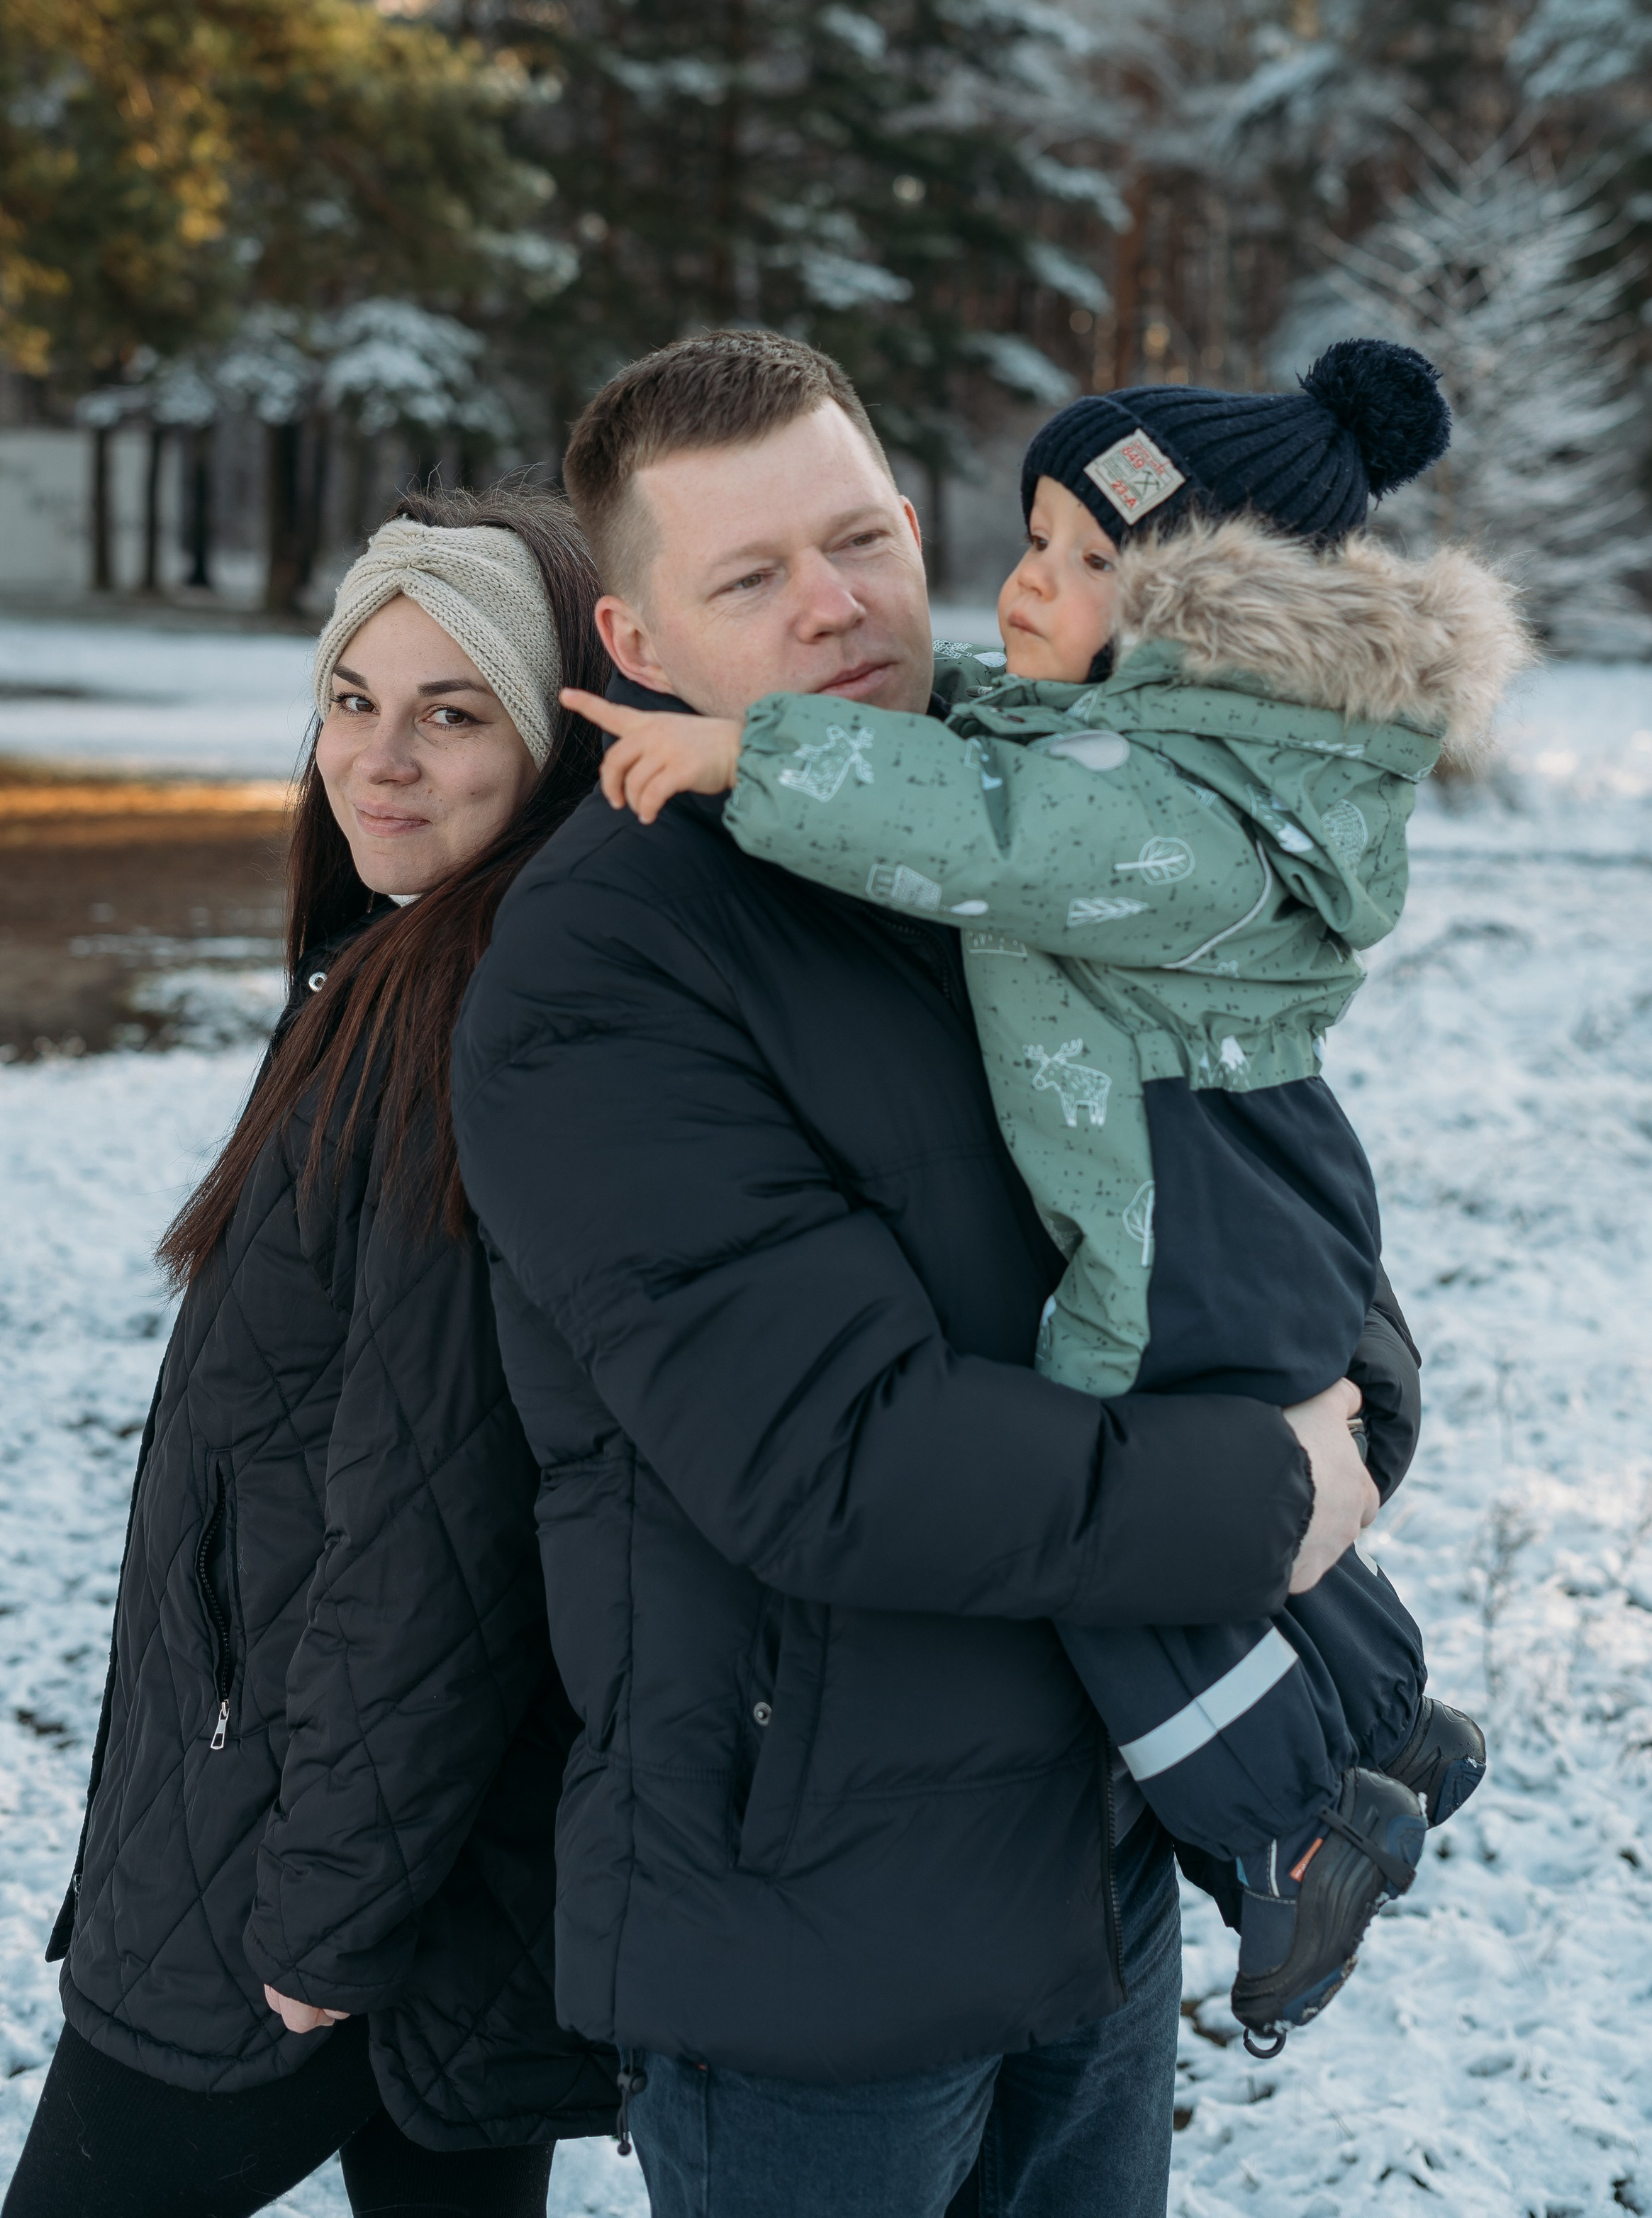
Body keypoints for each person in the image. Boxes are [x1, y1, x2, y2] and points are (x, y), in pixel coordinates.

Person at [450, 329, 1397, 2218]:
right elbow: (839, 1457)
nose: (837, 608)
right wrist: (1287, 1482)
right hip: (817, 1953)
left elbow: (1254, 1182)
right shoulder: (600, 976)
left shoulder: (1055, 811)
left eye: (861, 536)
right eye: (747, 578)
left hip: (1100, 1878)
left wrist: (1374, 1388)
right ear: (637, 647)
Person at [4, 491, 620, 2218]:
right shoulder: (391, 977)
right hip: (383, 1852)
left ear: (555, 735)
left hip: (295, 1880)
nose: (382, 761)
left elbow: (438, 1524)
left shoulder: (463, 1029)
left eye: (452, 711)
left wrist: (330, 1913)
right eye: (354, 699)